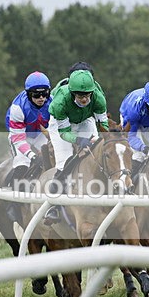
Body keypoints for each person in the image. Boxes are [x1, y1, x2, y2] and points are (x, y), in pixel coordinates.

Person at [44, 68, 109, 223]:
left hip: (85, 120)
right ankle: (54, 206)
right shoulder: (59, 103)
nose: (85, 99)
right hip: (61, 126)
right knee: (64, 161)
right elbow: (64, 133)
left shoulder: (99, 98)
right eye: (80, 96)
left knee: (98, 153)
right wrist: (80, 141)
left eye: (87, 95)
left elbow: (104, 126)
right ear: (73, 93)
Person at [5, 71, 51, 190]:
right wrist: (33, 156)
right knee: (22, 162)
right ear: (29, 94)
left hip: (40, 134)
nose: (41, 98)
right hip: (20, 136)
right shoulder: (18, 107)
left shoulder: (53, 102)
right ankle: (13, 203)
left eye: (45, 93)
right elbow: (18, 139)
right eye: (36, 95)